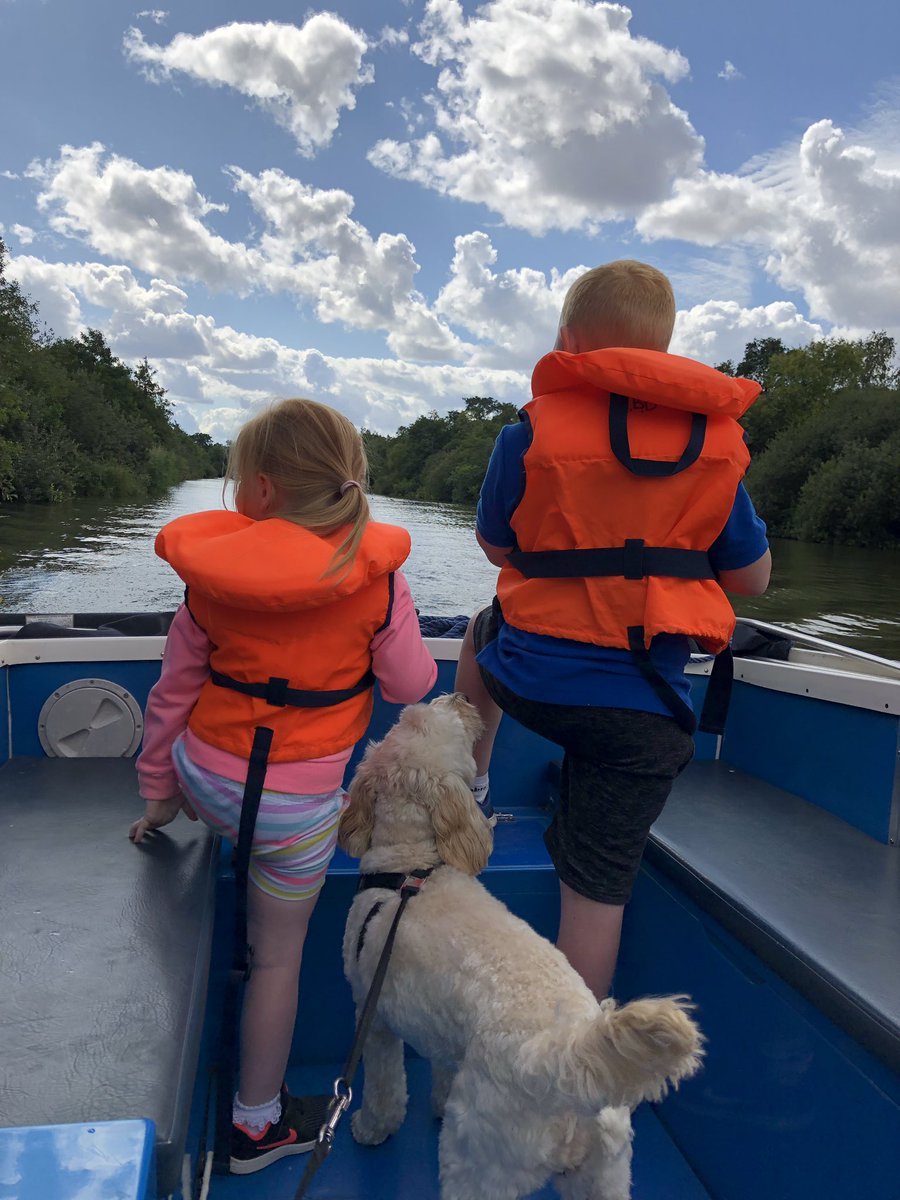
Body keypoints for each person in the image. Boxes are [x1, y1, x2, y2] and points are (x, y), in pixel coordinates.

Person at [130, 397, 437, 1174]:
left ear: (259, 490)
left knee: (225, 787)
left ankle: (199, 812)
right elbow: (409, 682)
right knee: (278, 960)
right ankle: (257, 1126)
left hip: (208, 783)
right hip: (297, 812)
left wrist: (161, 793)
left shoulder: (211, 580)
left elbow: (171, 692)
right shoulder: (379, 579)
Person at [455, 260, 771, 1001]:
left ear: (569, 341)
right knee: (595, 893)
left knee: (480, 627)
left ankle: (473, 776)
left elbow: (500, 549)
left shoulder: (525, 435)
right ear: (663, 351)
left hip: (531, 679)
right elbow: (751, 580)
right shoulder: (717, 448)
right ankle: (575, 1075)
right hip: (643, 714)